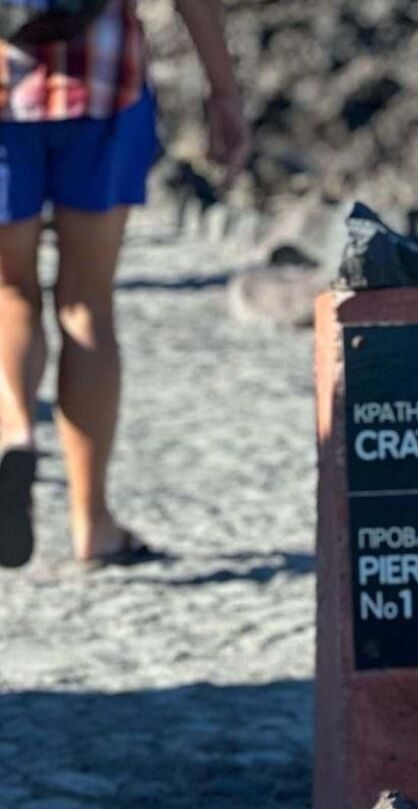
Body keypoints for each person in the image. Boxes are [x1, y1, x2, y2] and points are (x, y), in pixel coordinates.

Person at [0, 0, 248, 570]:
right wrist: (223, 91)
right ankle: (94, 525)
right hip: (102, 84)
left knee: (12, 293)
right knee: (86, 303)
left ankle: (16, 433)